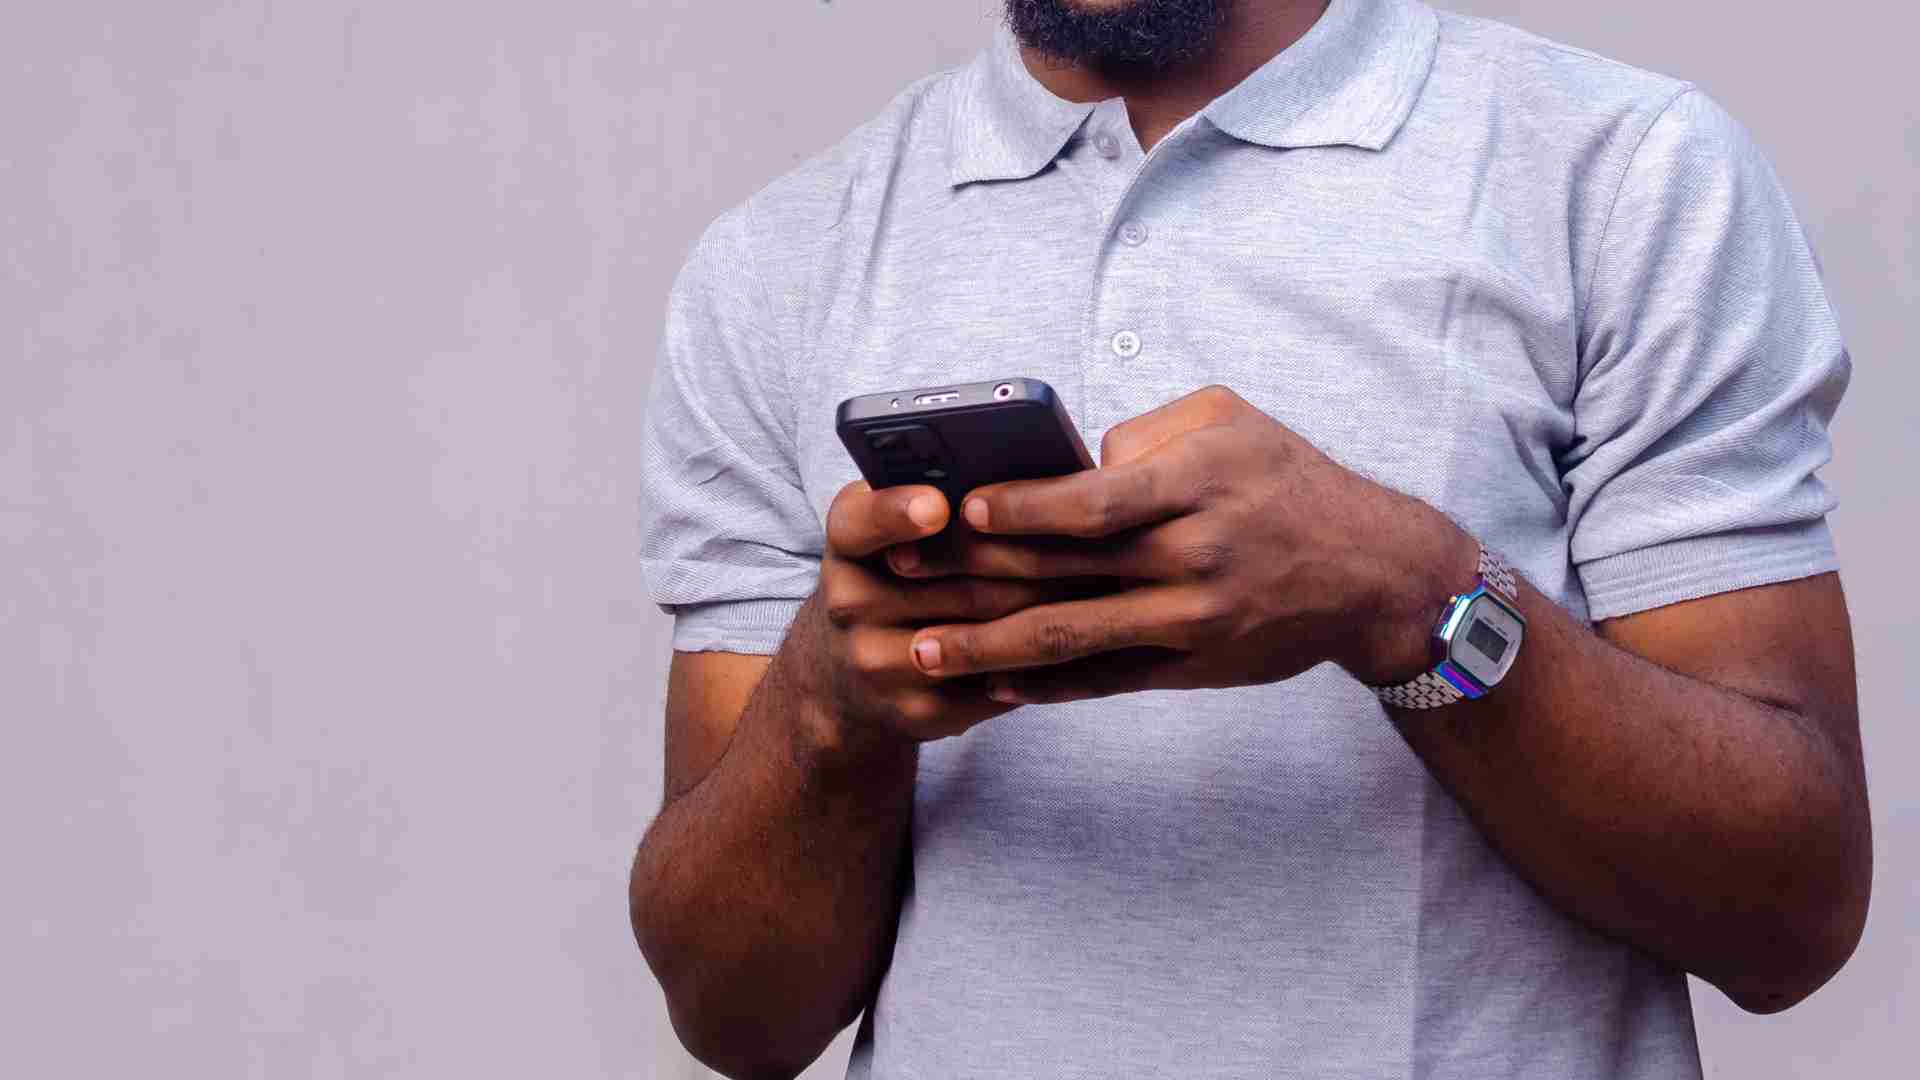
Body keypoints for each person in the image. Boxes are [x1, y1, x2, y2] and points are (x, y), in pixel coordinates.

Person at [630, 1, 1871, 1076]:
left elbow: (1790, 918)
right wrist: (829, 710)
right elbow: (735, 1022)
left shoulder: (1624, 175)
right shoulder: (775, 264)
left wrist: (1408, 598)